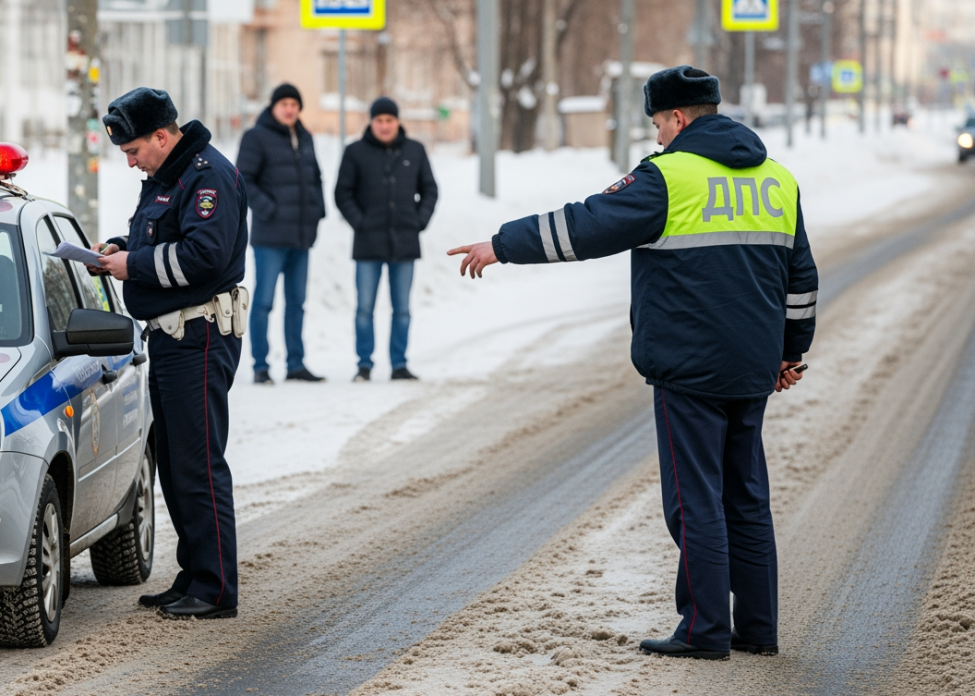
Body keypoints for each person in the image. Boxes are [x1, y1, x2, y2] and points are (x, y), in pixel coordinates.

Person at [449, 66, 818, 659]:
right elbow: (801, 278)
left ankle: (703, 630)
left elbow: (587, 224)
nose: (657, 138)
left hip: (689, 368)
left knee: (694, 499)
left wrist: (503, 244)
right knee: (744, 496)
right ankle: (757, 627)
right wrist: (789, 351)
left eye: (657, 125)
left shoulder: (668, 176)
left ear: (675, 117)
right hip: (752, 366)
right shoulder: (778, 179)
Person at [90, 87, 248, 620]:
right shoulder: (168, 177)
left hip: (200, 335)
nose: (130, 161)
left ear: (163, 136)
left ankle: (216, 587)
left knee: (198, 465)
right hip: (172, 337)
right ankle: (195, 574)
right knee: (179, 465)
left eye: (134, 150)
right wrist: (120, 248)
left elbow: (204, 255)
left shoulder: (207, 177)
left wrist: (134, 266)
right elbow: (164, 238)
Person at [335, 97, 438, 382]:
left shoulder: (415, 150)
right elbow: (342, 193)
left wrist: (419, 220)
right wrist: (360, 222)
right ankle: (364, 364)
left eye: (389, 120)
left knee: (402, 309)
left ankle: (399, 363)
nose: (384, 126)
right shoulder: (355, 152)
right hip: (367, 245)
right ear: (371, 122)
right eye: (379, 120)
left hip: (404, 243)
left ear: (397, 122)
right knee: (364, 309)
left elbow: (430, 189)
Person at [236, 83, 327, 385]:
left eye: (294, 104)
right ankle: (261, 365)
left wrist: (317, 214)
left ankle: (296, 363)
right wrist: (270, 210)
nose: (289, 109)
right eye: (284, 103)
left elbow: (315, 179)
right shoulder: (256, 137)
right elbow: (243, 180)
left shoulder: (305, 136)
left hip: (300, 237)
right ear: (273, 106)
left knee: (297, 302)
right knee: (264, 302)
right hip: (270, 237)